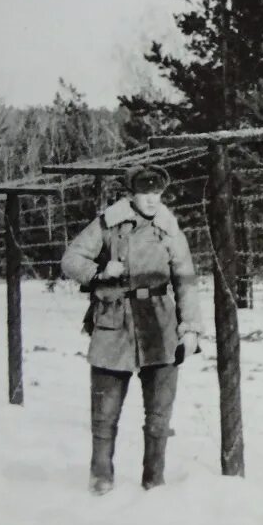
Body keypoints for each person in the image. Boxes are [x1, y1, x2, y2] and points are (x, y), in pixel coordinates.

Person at [61, 164, 203, 495]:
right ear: (132, 194)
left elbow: (185, 280)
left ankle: (154, 480)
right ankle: (101, 477)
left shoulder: (169, 229)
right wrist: (99, 270)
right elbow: (71, 259)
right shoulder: (108, 223)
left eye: (157, 193)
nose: (152, 200)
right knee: (105, 411)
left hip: (159, 323)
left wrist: (191, 328)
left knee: (159, 414)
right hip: (115, 321)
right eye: (145, 193)